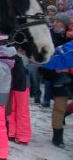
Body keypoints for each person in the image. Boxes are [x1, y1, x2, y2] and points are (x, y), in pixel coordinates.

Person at [40, 13, 72, 148]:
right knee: (59, 107)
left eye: (58, 22)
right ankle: (57, 137)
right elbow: (45, 59)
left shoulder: (70, 37)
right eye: (54, 22)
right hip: (58, 77)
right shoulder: (49, 38)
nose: (55, 24)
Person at [7, 48, 32, 145]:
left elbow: (31, 65)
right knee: (11, 109)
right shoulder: (9, 49)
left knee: (22, 110)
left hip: (23, 84)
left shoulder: (28, 51)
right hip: (11, 83)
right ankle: (11, 132)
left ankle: (23, 136)